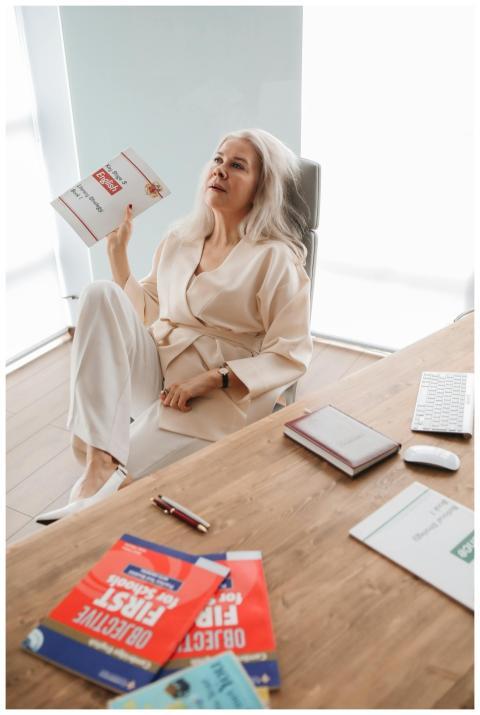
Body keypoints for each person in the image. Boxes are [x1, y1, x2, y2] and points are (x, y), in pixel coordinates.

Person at [36, 128, 313, 524]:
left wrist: (212, 379)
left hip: (218, 395)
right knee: (100, 293)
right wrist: (118, 258)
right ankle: (98, 462)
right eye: (218, 160)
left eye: (237, 166)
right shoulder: (180, 240)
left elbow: (292, 353)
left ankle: (76, 519)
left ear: (260, 188)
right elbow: (148, 309)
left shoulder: (275, 260)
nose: (220, 171)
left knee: (122, 481)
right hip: (159, 372)